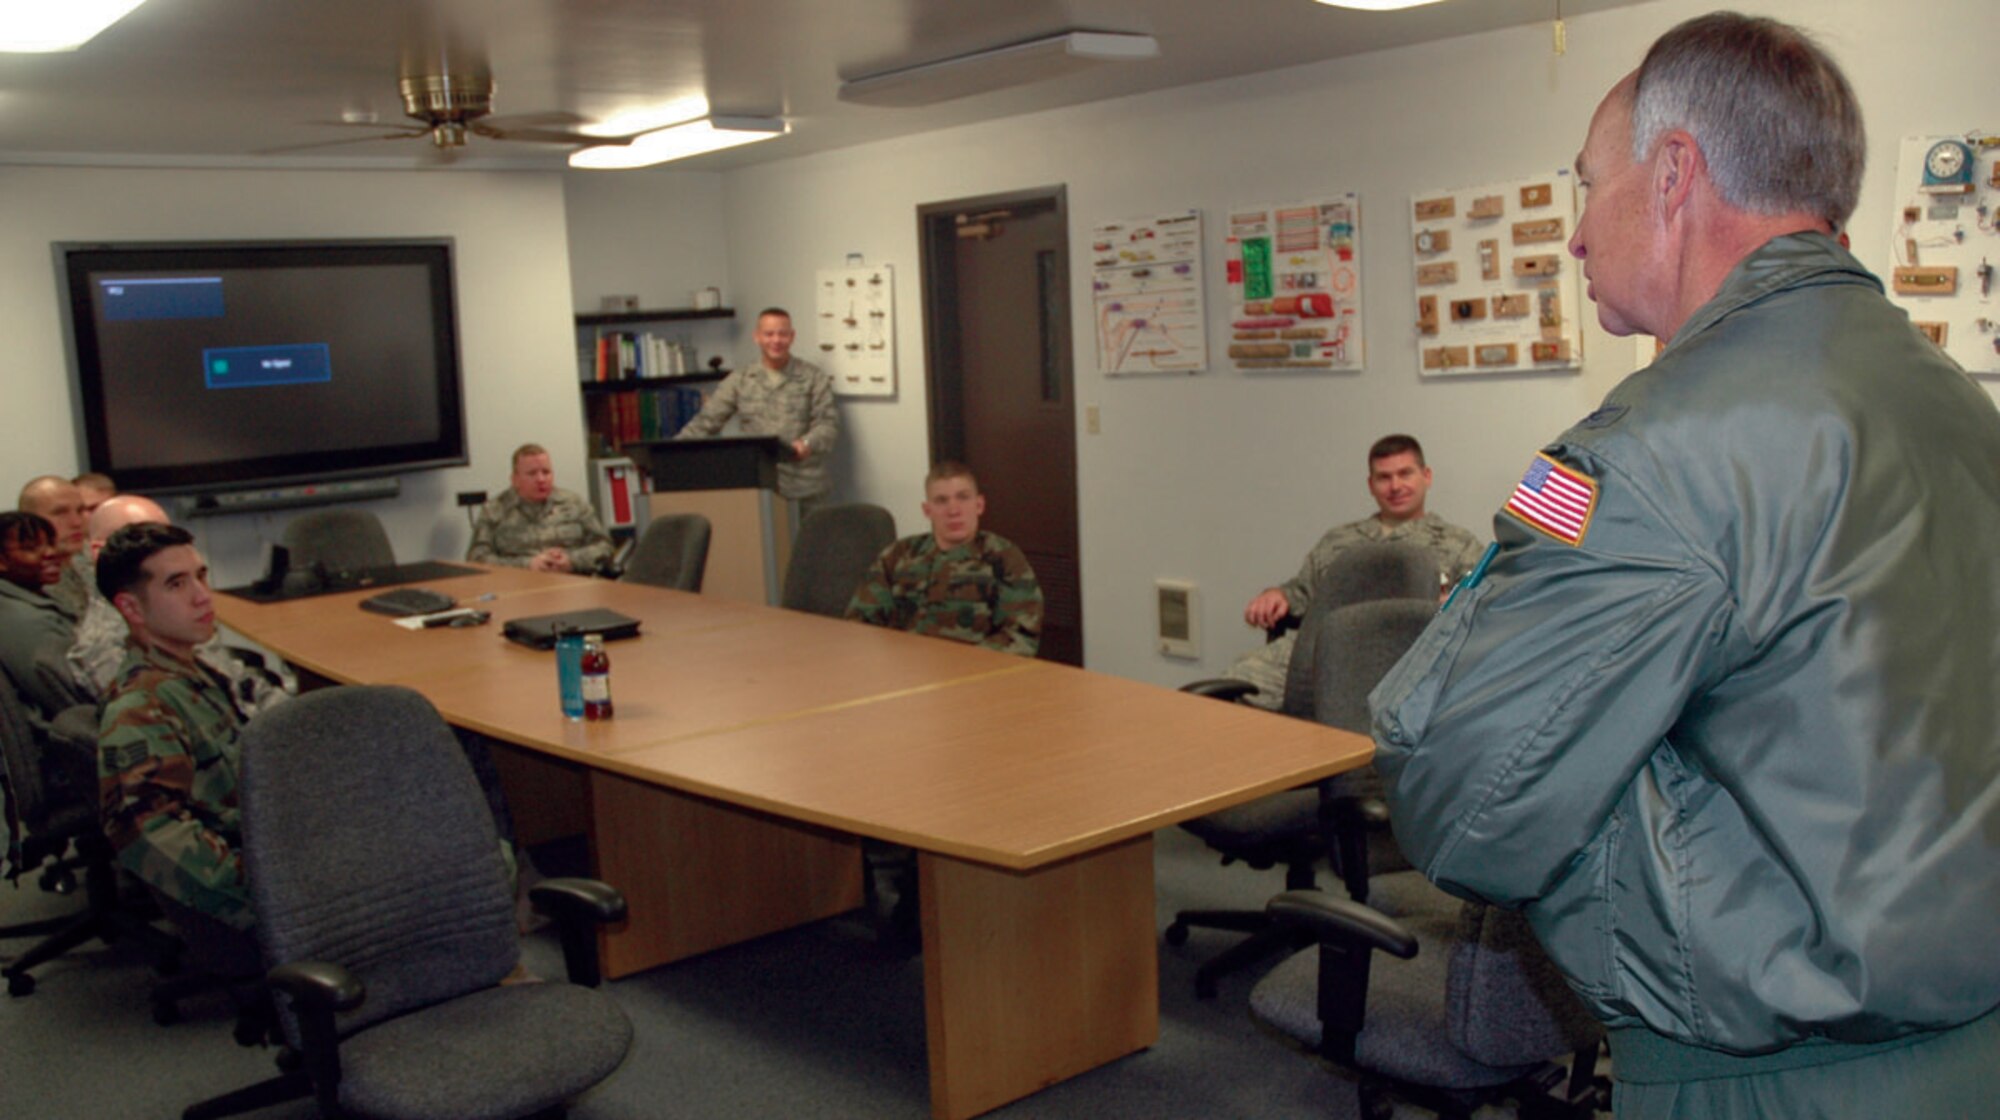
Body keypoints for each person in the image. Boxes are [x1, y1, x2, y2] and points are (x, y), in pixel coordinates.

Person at [1371, 14, 2000, 1116]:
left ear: (1671, 176)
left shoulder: (1646, 453)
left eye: (1582, 184)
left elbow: (1464, 797)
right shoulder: (1948, 399)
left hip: (1771, 1074)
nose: (1571, 236)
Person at [1222, 434, 1483, 709]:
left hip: (1403, 660)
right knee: (1231, 688)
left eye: (1405, 474)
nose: (1395, 486)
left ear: (1426, 476)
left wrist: (1448, 606)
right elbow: (1302, 591)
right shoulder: (1340, 540)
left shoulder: (1458, 544)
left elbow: (1482, 605)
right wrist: (1277, 596)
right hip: (1319, 654)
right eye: (1384, 477)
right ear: (1371, 485)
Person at [95, 523, 252, 930]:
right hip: (254, 890)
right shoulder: (139, 707)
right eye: (176, 584)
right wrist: (272, 898)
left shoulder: (187, 674)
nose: (202, 596)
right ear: (131, 609)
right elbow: (150, 836)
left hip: (268, 841)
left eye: (201, 576)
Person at [65, 495, 290, 715]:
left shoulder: (172, 619)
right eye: (144, 538)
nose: (203, 597)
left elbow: (236, 679)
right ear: (99, 552)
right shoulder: (112, 651)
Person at [845, 462, 1042, 657]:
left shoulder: (1003, 557)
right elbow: (860, 623)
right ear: (927, 510)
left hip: (975, 673)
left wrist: (964, 665)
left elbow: (1021, 634)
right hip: (906, 671)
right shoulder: (898, 555)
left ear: (979, 505)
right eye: (941, 501)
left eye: (963, 498)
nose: (953, 510)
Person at [674, 307, 840, 520]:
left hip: (806, 488)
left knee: (811, 551)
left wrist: (807, 443)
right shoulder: (740, 379)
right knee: (767, 551)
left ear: (792, 336)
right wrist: (672, 453)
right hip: (760, 488)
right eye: (769, 334)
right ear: (757, 337)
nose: (776, 340)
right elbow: (707, 422)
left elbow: (828, 424)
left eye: (782, 334)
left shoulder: (813, 377)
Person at [466, 444, 614, 574]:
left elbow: (604, 546)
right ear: (514, 479)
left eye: (546, 472)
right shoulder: (494, 510)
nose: (541, 479)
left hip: (571, 584)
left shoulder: (574, 504)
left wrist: (572, 561)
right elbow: (477, 559)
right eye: (532, 473)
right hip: (519, 587)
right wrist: (527, 564)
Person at [0, 511, 77, 725]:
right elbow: (69, 696)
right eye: (31, 548)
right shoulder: (22, 619)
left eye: (51, 543)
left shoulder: (31, 598)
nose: (50, 553)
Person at [17, 475, 91, 620]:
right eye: (60, 513)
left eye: (80, 510)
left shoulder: (93, 564)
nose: (76, 522)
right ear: (29, 521)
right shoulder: (22, 582)